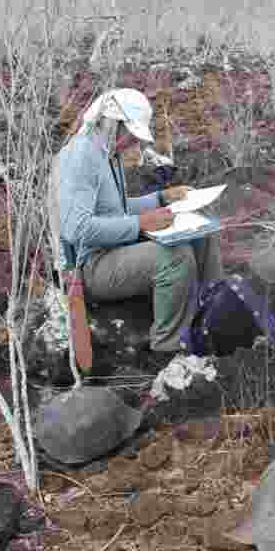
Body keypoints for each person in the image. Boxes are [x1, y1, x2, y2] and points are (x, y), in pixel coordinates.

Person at [55, 88, 224, 354]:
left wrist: (161, 199)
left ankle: (212, 314)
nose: (132, 142)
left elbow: (116, 210)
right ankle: (169, 346)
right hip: (90, 265)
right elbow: (77, 229)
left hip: (114, 246)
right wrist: (141, 224)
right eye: (130, 135)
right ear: (112, 123)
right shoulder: (80, 157)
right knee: (175, 257)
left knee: (201, 232)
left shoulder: (106, 153)